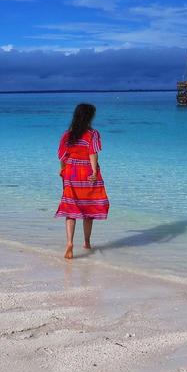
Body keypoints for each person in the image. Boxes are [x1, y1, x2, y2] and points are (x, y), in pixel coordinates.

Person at [55, 103, 109, 259]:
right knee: (89, 208)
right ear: (89, 117)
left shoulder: (68, 134)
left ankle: (70, 243)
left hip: (71, 171)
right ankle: (86, 242)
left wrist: (63, 171)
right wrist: (93, 172)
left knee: (70, 208)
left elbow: (62, 156)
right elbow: (93, 153)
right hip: (86, 172)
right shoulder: (92, 134)